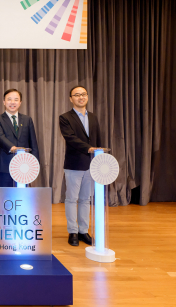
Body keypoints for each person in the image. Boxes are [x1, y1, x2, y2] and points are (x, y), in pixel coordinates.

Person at [59, 85, 102, 247]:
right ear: (71, 99)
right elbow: (70, 138)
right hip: (74, 164)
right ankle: (73, 232)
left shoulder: (93, 117)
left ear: (87, 96)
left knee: (85, 199)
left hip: (92, 164)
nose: (81, 97)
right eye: (77, 95)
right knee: (72, 199)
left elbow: (98, 139)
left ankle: (84, 231)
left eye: (83, 94)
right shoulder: (65, 117)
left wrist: (99, 155)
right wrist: (88, 148)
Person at [0, 89, 40, 187]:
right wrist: (13, 148)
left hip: (25, 166)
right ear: (4, 102)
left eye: (16, 99)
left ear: (20, 102)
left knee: (22, 198)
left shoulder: (27, 119)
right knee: (4, 198)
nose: (12, 102)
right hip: (5, 165)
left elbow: (33, 142)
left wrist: (35, 163)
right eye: (9, 99)